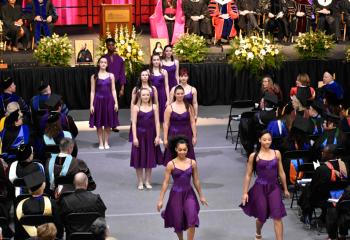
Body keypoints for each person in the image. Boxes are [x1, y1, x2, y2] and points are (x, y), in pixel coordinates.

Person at [240, 130, 290, 240]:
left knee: (277, 217)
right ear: (259, 140)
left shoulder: (277, 153)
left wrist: (285, 189)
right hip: (260, 188)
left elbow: (281, 172)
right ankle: (258, 232)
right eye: (264, 139)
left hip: (274, 188)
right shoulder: (254, 156)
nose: (267, 142)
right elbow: (248, 175)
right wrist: (244, 193)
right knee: (261, 217)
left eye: (269, 139)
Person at [157, 136, 208, 240]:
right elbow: (165, 183)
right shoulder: (171, 164)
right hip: (176, 195)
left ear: (187, 149)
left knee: (192, 218)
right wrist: (160, 200)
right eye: (180, 150)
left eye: (184, 149)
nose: (182, 152)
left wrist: (201, 196)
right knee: (178, 221)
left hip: (189, 194)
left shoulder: (192, 163)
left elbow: (196, 180)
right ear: (176, 149)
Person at [15, 170, 63, 240]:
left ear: (29, 189)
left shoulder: (20, 205)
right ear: (43, 186)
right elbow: (59, 228)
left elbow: (18, 231)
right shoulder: (52, 203)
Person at [130, 88, 163, 190]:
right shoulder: (136, 108)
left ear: (150, 96)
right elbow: (134, 123)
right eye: (143, 95)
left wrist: (158, 136)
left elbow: (157, 122)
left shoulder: (154, 107)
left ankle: (148, 181)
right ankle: (140, 181)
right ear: (140, 96)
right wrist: (134, 137)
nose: (146, 97)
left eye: (147, 95)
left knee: (149, 158)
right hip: (140, 136)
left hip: (150, 136)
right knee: (139, 159)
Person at [59, 172, 106, 236]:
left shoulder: (66, 201)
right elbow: (102, 218)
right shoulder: (96, 199)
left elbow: (62, 222)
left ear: (74, 184)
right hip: (93, 237)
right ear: (86, 183)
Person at [89, 57, 119, 150]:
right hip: (98, 101)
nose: (103, 64)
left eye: (105, 62)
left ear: (107, 64)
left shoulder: (111, 76)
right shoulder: (94, 76)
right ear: (98, 64)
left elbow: (113, 90)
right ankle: (100, 142)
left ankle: (106, 142)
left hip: (109, 101)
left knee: (108, 123)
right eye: (101, 62)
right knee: (99, 123)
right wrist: (91, 105)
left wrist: (116, 103)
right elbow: (92, 91)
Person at [163, 85, 197, 166]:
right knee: (172, 156)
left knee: (188, 155)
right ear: (175, 94)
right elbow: (166, 124)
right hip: (173, 135)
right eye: (178, 93)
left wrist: (194, 136)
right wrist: (165, 139)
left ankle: (186, 174)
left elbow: (192, 122)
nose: (180, 95)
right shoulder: (169, 108)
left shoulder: (189, 107)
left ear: (184, 94)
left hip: (186, 134)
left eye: (182, 93)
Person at [103, 38, 126, 133]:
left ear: (115, 46)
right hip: (106, 84)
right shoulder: (104, 58)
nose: (111, 46)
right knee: (106, 104)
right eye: (109, 45)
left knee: (115, 105)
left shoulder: (120, 59)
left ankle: (114, 124)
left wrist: (122, 88)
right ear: (106, 46)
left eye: (112, 45)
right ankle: (106, 122)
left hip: (116, 85)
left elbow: (122, 74)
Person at [149, 53, 169, 123]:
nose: (156, 61)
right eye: (154, 60)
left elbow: (166, 86)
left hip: (162, 95)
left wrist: (168, 99)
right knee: (152, 115)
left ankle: (161, 132)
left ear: (160, 61)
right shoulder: (148, 72)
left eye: (158, 59)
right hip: (152, 95)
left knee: (162, 116)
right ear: (151, 61)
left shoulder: (164, 72)